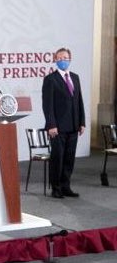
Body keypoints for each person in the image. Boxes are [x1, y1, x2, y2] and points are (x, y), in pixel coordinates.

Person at [42, 47, 86, 198]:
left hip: (73, 126)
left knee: (69, 158)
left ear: (70, 59)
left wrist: (82, 122)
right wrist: (51, 125)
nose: (63, 61)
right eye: (60, 58)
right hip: (58, 128)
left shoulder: (75, 77)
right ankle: (56, 188)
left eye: (65, 58)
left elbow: (79, 101)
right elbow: (47, 105)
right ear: (55, 60)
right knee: (58, 158)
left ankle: (66, 186)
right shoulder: (50, 79)